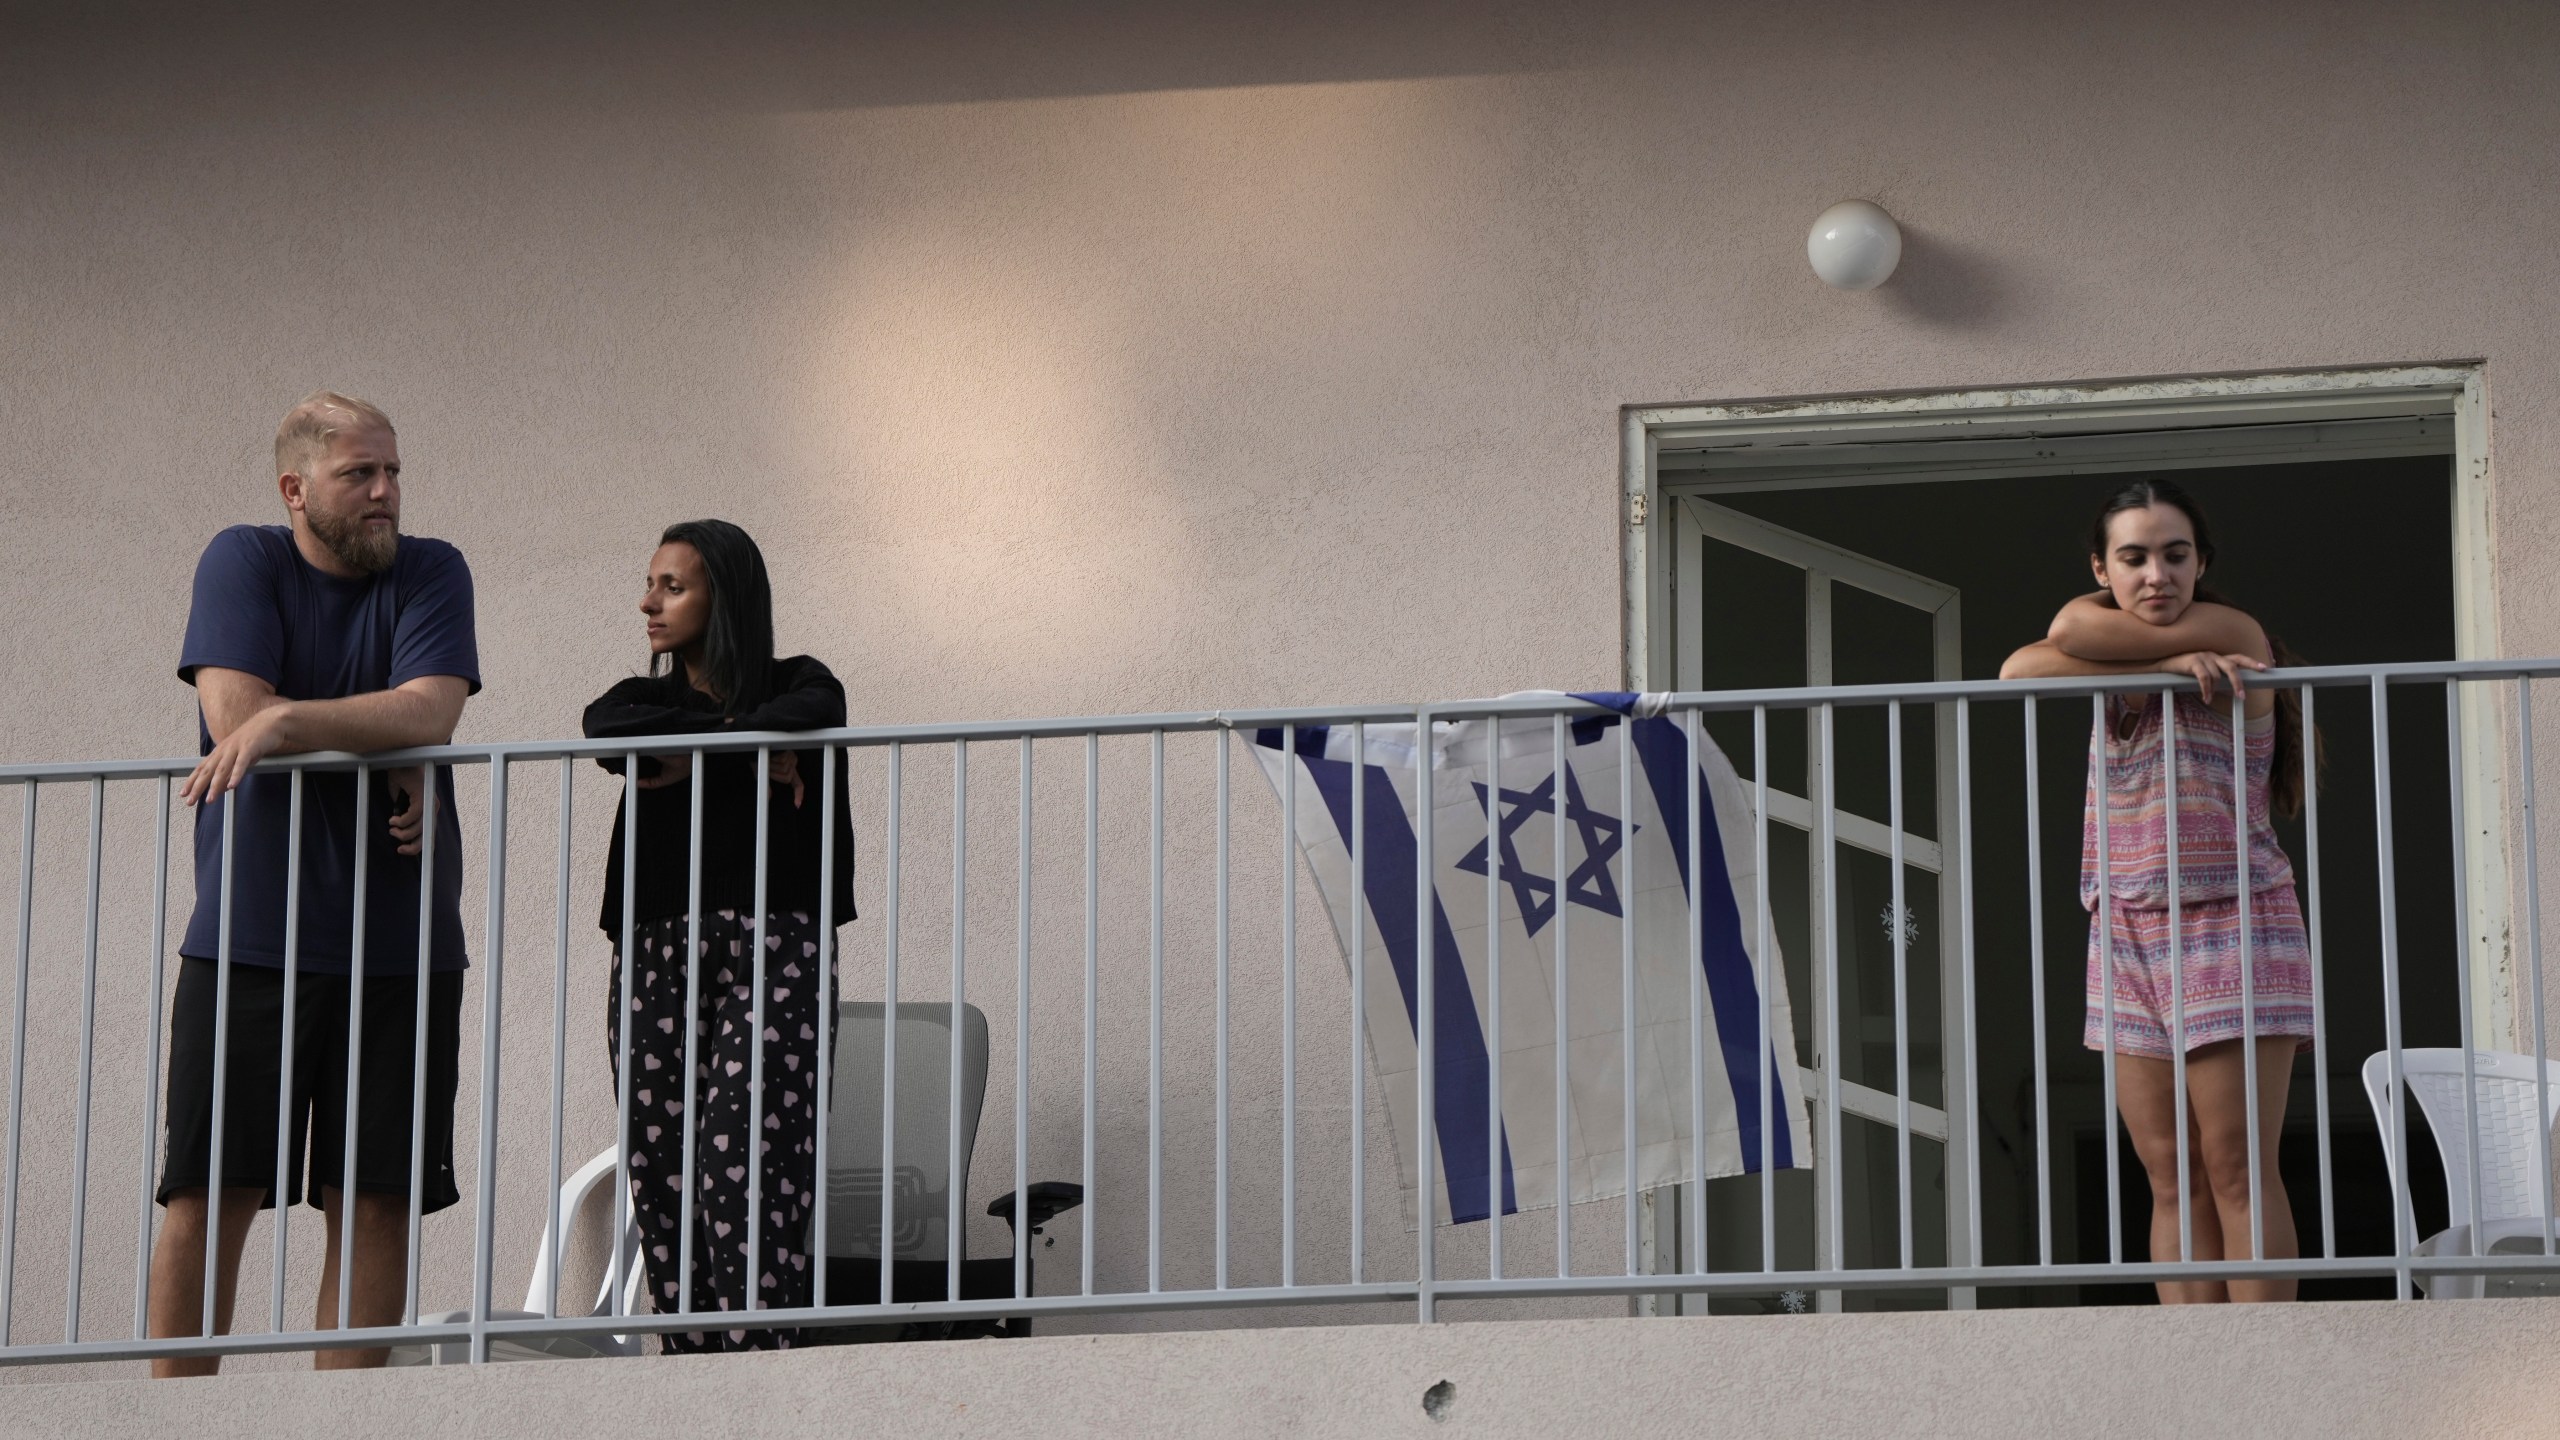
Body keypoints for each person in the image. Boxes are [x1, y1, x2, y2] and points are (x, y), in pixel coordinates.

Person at [154, 392, 480, 1375]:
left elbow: (432, 708)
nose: (386, 494)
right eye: (359, 476)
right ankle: (172, 1427)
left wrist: (296, 728)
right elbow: (231, 706)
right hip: (248, 937)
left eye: (393, 473)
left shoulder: (432, 569)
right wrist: (374, 736)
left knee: (375, 1197)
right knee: (210, 1192)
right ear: (296, 489)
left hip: (403, 945)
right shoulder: (241, 559)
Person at [2001, 477, 2317, 1304]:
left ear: (2202, 561)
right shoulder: (2136, 656)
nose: (2157, 577)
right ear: (2102, 568)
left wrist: (2172, 651)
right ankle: (2196, 1375)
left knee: (2235, 1167)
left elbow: (2068, 630)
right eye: (2133, 558)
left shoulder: (2236, 631)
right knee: (2169, 1176)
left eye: (2176, 556)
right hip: (2127, 929)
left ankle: (2266, 1371)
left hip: (2233, 919)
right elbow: (2019, 666)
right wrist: (2170, 660)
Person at [583, 519, 854, 1352]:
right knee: (662, 1177)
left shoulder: (799, 683)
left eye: (673, 586)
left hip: (776, 945)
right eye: (651, 582)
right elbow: (601, 724)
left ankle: (759, 1364)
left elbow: (817, 708)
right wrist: (746, 753)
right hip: (656, 948)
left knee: (748, 1164)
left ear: (723, 596)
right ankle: (691, 1365)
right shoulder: (650, 699)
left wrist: (696, 756)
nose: (648, 602)